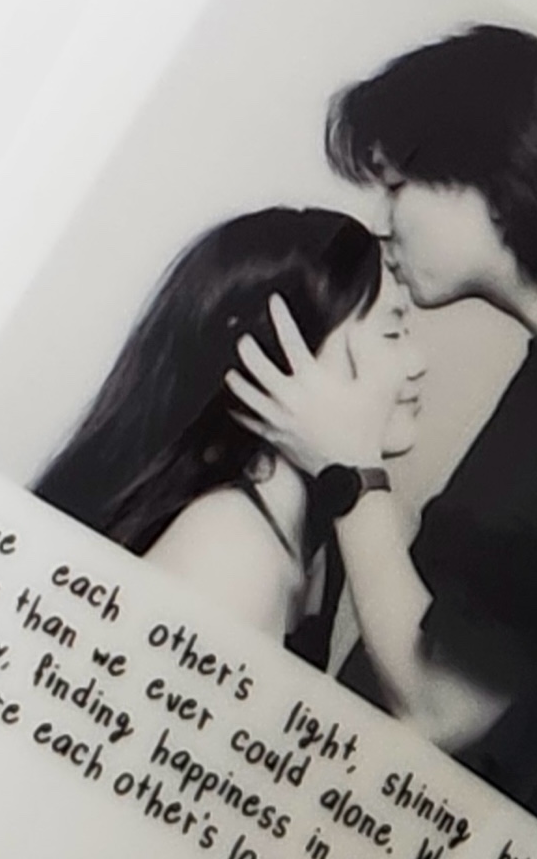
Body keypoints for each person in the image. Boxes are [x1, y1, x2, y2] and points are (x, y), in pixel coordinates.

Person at [228, 26, 537, 851]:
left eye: (396, 184)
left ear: (486, 178)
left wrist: (347, 468)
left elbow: (440, 707)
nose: (383, 224)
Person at [34, 208, 424, 662]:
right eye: (393, 333)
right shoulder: (231, 548)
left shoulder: (314, 534)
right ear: (282, 355)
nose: (417, 363)